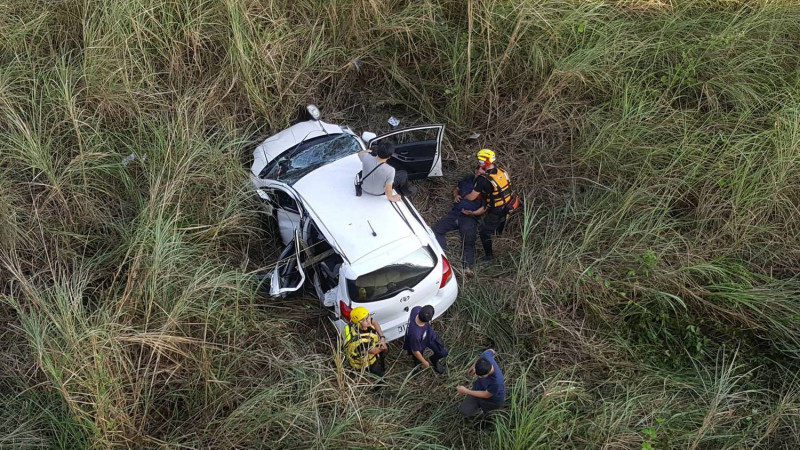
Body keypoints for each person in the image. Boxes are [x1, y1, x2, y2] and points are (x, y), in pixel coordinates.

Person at [464, 149, 516, 262]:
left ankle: (489, 256)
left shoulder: (483, 180)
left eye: (480, 161)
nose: (479, 162)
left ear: (486, 161)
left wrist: (464, 196)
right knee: (502, 220)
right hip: (507, 205)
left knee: (483, 232)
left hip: (495, 209)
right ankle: (498, 233)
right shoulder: (502, 171)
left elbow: (472, 197)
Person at [432, 170, 484, 276]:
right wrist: (456, 195)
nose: (481, 173)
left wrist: (473, 213)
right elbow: (457, 188)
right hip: (455, 213)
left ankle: (467, 267)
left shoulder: (486, 185)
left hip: (469, 217)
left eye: (484, 172)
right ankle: (441, 256)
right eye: (480, 170)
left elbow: (485, 207)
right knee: (436, 231)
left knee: (468, 241)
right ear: (476, 171)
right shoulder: (468, 179)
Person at [456, 349, 506, 416]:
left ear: (488, 373)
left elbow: (486, 394)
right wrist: (474, 366)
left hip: (492, 399)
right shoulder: (485, 357)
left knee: (487, 411)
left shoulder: (497, 381)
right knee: (464, 410)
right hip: (479, 387)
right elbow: (491, 350)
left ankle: (481, 411)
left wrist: (466, 391)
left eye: (481, 376)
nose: (478, 377)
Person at [403, 305, 448, 374]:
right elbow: (415, 351)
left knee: (443, 352)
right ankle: (417, 366)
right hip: (418, 343)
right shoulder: (415, 334)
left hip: (429, 335)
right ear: (430, 320)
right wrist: (424, 362)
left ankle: (433, 359)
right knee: (417, 357)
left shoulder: (416, 309)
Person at [343, 306, 388, 377]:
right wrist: (382, 348)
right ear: (358, 323)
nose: (368, 321)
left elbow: (374, 322)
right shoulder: (360, 341)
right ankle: (378, 386)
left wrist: (382, 337)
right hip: (365, 363)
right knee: (380, 376)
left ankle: (382, 367)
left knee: (381, 363)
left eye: (368, 317)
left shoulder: (356, 324)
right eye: (363, 320)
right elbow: (374, 351)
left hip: (372, 352)